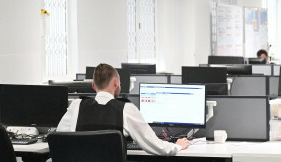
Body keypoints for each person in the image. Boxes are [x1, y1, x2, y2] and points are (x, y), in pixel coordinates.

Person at [57, 63, 189, 156]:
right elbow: (155, 146)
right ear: (116, 83)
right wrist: (177, 145)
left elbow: (58, 140)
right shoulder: (126, 109)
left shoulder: (77, 105)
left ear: (93, 85)